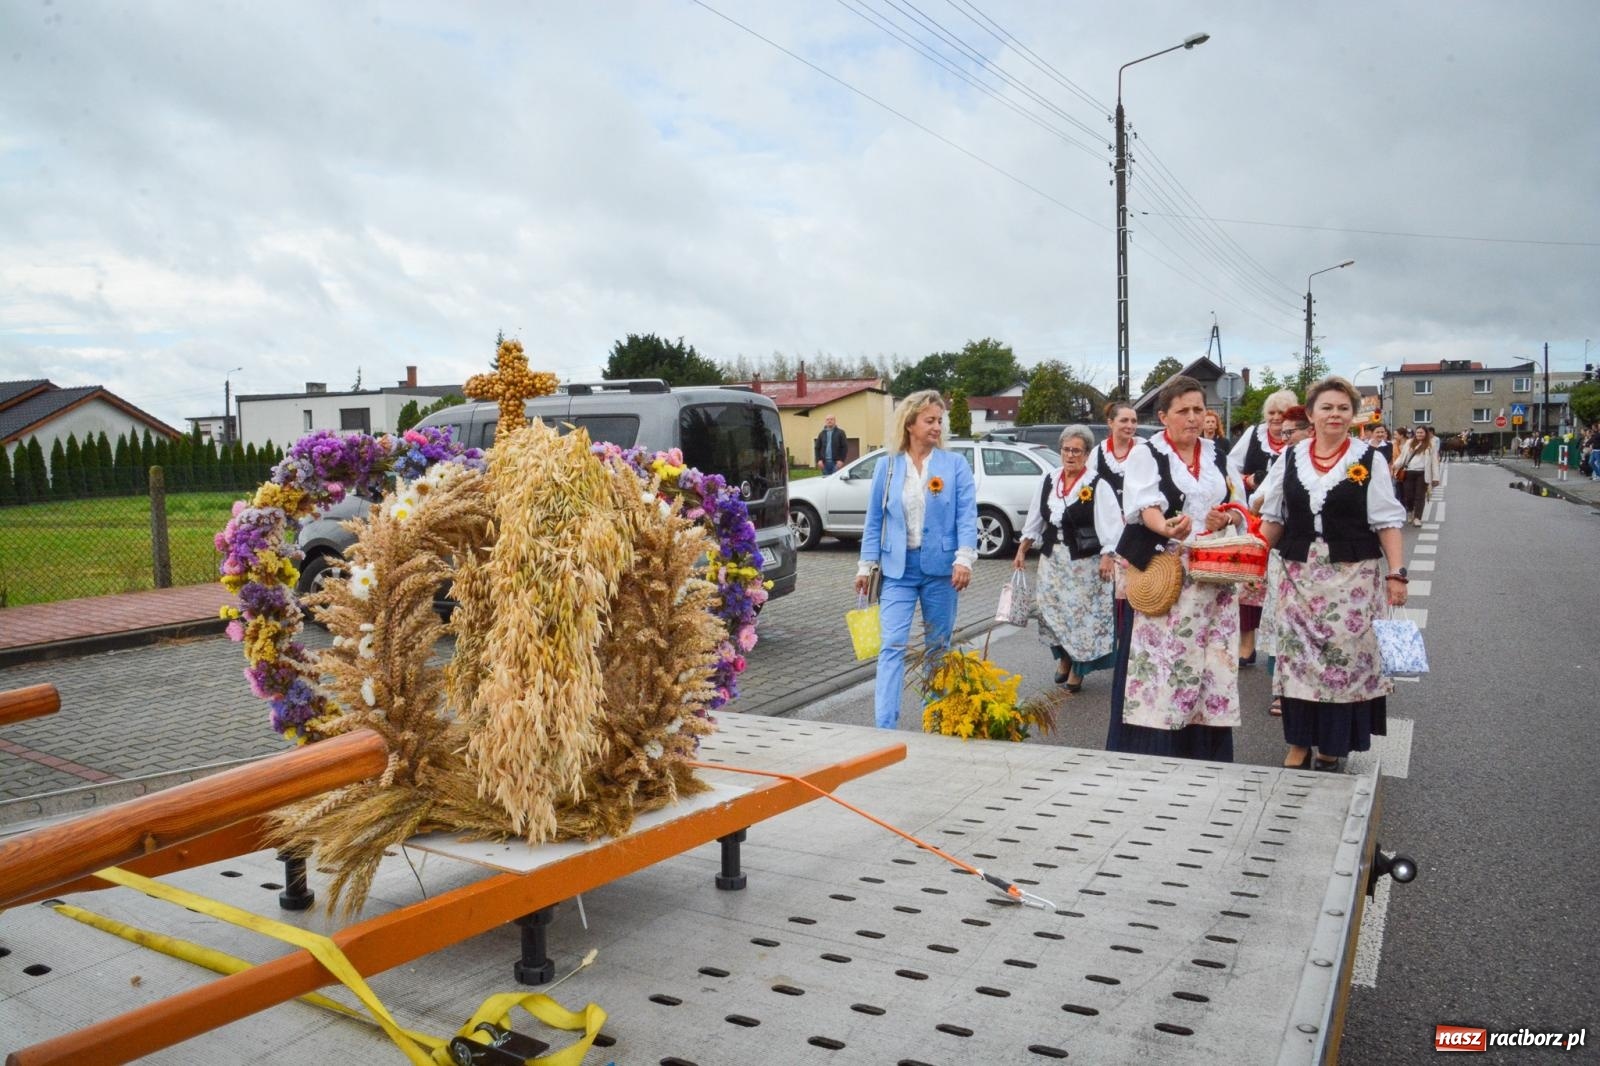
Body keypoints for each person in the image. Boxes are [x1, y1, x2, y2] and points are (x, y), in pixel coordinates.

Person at [1256, 376, 1408, 771]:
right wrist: (1250, 559)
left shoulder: (1369, 459)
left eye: (1343, 408)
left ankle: (1331, 744)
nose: (1335, 414)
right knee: (1298, 660)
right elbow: (1274, 519)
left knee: (1342, 661)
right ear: (1310, 414)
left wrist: (1397, 573)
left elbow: (1387, 522)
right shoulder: (1289, 458)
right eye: (1326, 407)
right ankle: (1298, 742)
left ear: (1353, 415)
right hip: (1298, 576)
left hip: (1353, 578)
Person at [1108, 376, 1248, 761]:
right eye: (1183, 410)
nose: (1192, 417)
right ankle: (1156, 749)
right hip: (1166, 572)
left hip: (1214, 574)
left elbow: (1240, 504)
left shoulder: (1218, 454)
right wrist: (1165, 527)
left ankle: (1205, 752)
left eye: (1198, 409)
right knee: (1164, 662)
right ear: (1163, 416)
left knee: (1210, 662)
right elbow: (1144, 506)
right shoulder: (1147, 454)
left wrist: (1227, 518)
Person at [854, 390, 978, 729]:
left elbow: (967, 516)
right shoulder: (887, 466)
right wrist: (865, 565)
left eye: (940, 420)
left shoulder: (955, 465)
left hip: (942, 570)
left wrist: (964, 559)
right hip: (897, 570)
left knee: (938, 647)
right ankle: (885, 725)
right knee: (891, 645)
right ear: (910, 424)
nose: (937, 426)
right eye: (930, 420)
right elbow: (874, 521)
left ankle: (934, 719)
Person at [1013, 425, 1120, 693]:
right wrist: (1023, 548)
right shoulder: (1049, 480)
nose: (1070, 455)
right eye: (1066, 450)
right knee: (1051, 613)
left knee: (1080, 617)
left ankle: (1077, 668)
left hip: (1085, 563)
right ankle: (1063, 657)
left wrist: (1108, 556)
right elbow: (1035, 520)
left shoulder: (1097, 484)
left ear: (1086, 454)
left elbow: (1111, 525)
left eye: (1077, 451)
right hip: (1053, 561)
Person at [1228, 389, 1298, 666]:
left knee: (1278, 583)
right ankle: (1247, 645)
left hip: (1286, 521)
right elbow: (1231, 466)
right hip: (1253, 517)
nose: (1276, 419)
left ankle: (1276, 646)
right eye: (1271, 413)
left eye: (1282, 414)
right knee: (1249, 581)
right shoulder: (1254, 435)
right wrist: (1246, 481)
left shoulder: (1299, 442)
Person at [1393, 426, 1440, 526]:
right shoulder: (1409, 442)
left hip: (1422, 473)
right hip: (1408, 472)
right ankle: (1410, 511)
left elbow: (1434, 461)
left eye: (1421, 433)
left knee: (1420, 496)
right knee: (1408, 495)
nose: (1419, 434)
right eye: (1418, 432)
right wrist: (1395, 466)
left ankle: (1417, 518)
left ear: (1426, 433)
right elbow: (1402, 456)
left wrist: (1436, 477)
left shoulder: (1431, 444)